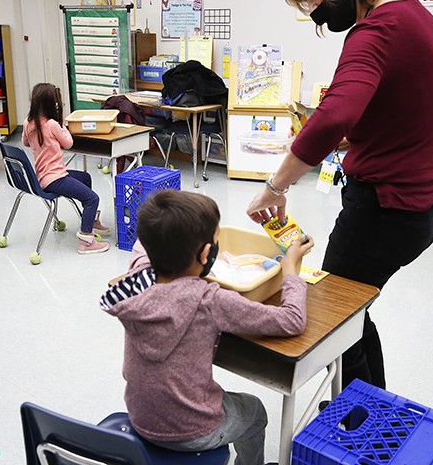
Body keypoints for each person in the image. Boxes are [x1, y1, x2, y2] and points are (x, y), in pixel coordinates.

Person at [246, 0, 433, 390]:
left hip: (384, 210)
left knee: (333, 319)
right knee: (352, 313)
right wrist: (353, 138)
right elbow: (404, 111)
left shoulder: (375, 31)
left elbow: (337, 114)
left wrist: (275, 186)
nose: (316, 10)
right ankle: (369, 412)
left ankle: (355, 430)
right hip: (421, 205)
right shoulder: (418, 17)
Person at [101, 190, 314, 465]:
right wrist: (290, 271)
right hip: (194, 431)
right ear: (205, 254)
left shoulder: (137, 280)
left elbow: (144, 243)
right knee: (255, 412)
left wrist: (168, 227)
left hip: (141, 416)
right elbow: (291, 320)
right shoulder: (210, 300)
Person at [21, 83, 110, 255]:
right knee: (93, 199)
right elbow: (68, 143)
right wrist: (60, 122)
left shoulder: (27, 122)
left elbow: (25, 142)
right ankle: (86, 241)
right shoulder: (53, 124)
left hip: (42, 177)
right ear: (50, 104)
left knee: (85, 177)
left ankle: (89, 220)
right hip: (55, 178)